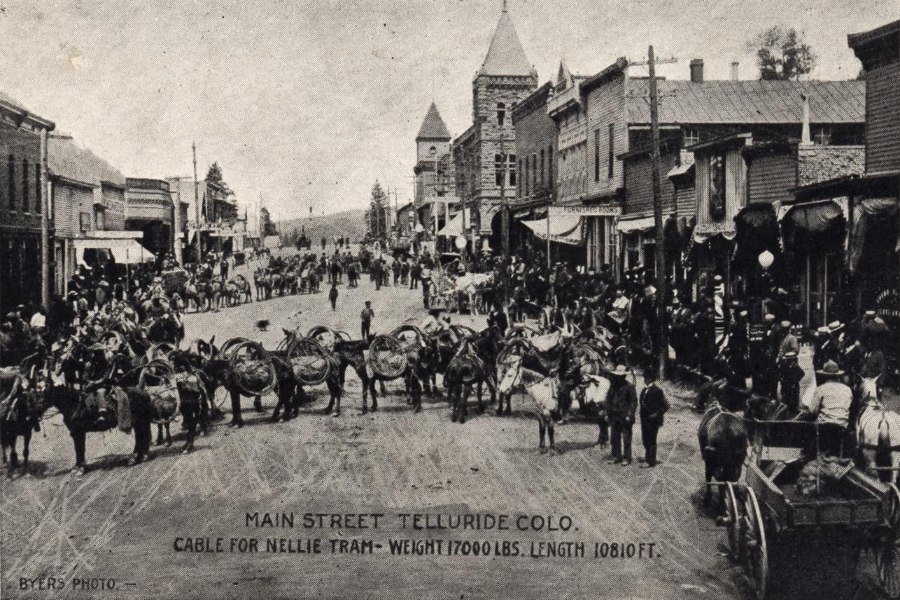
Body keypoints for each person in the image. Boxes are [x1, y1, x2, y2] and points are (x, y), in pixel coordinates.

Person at [801, 360, 853, 429]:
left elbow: (813, 411)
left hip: (824, 426)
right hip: (842, 425)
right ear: (838, 375)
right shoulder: (847, 389)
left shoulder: (820, 389)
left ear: (824, 376)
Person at [606, 365, 637, 466]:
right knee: (615, 437)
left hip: (625, 417)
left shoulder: (629, 387)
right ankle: (616, 456)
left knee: (626, 437)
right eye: (617, 376)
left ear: (624, 376)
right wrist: (607, 413)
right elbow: (608, 400)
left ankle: (627, 458)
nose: (618, 378)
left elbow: (633, 402)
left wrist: (630, 414)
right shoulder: (613, 386)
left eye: (621, 376)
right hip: (615, 415)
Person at [639, 367, 669, 468]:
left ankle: (651, 461)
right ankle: (647, 456)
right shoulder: (644, 390)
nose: (644, 379)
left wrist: (656, 414)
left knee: (651, 439)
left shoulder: (657, 391)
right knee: (645, 439)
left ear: (651, 379)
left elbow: (665, 406)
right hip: (644, 420)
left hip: (653, 420)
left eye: (646, 378)